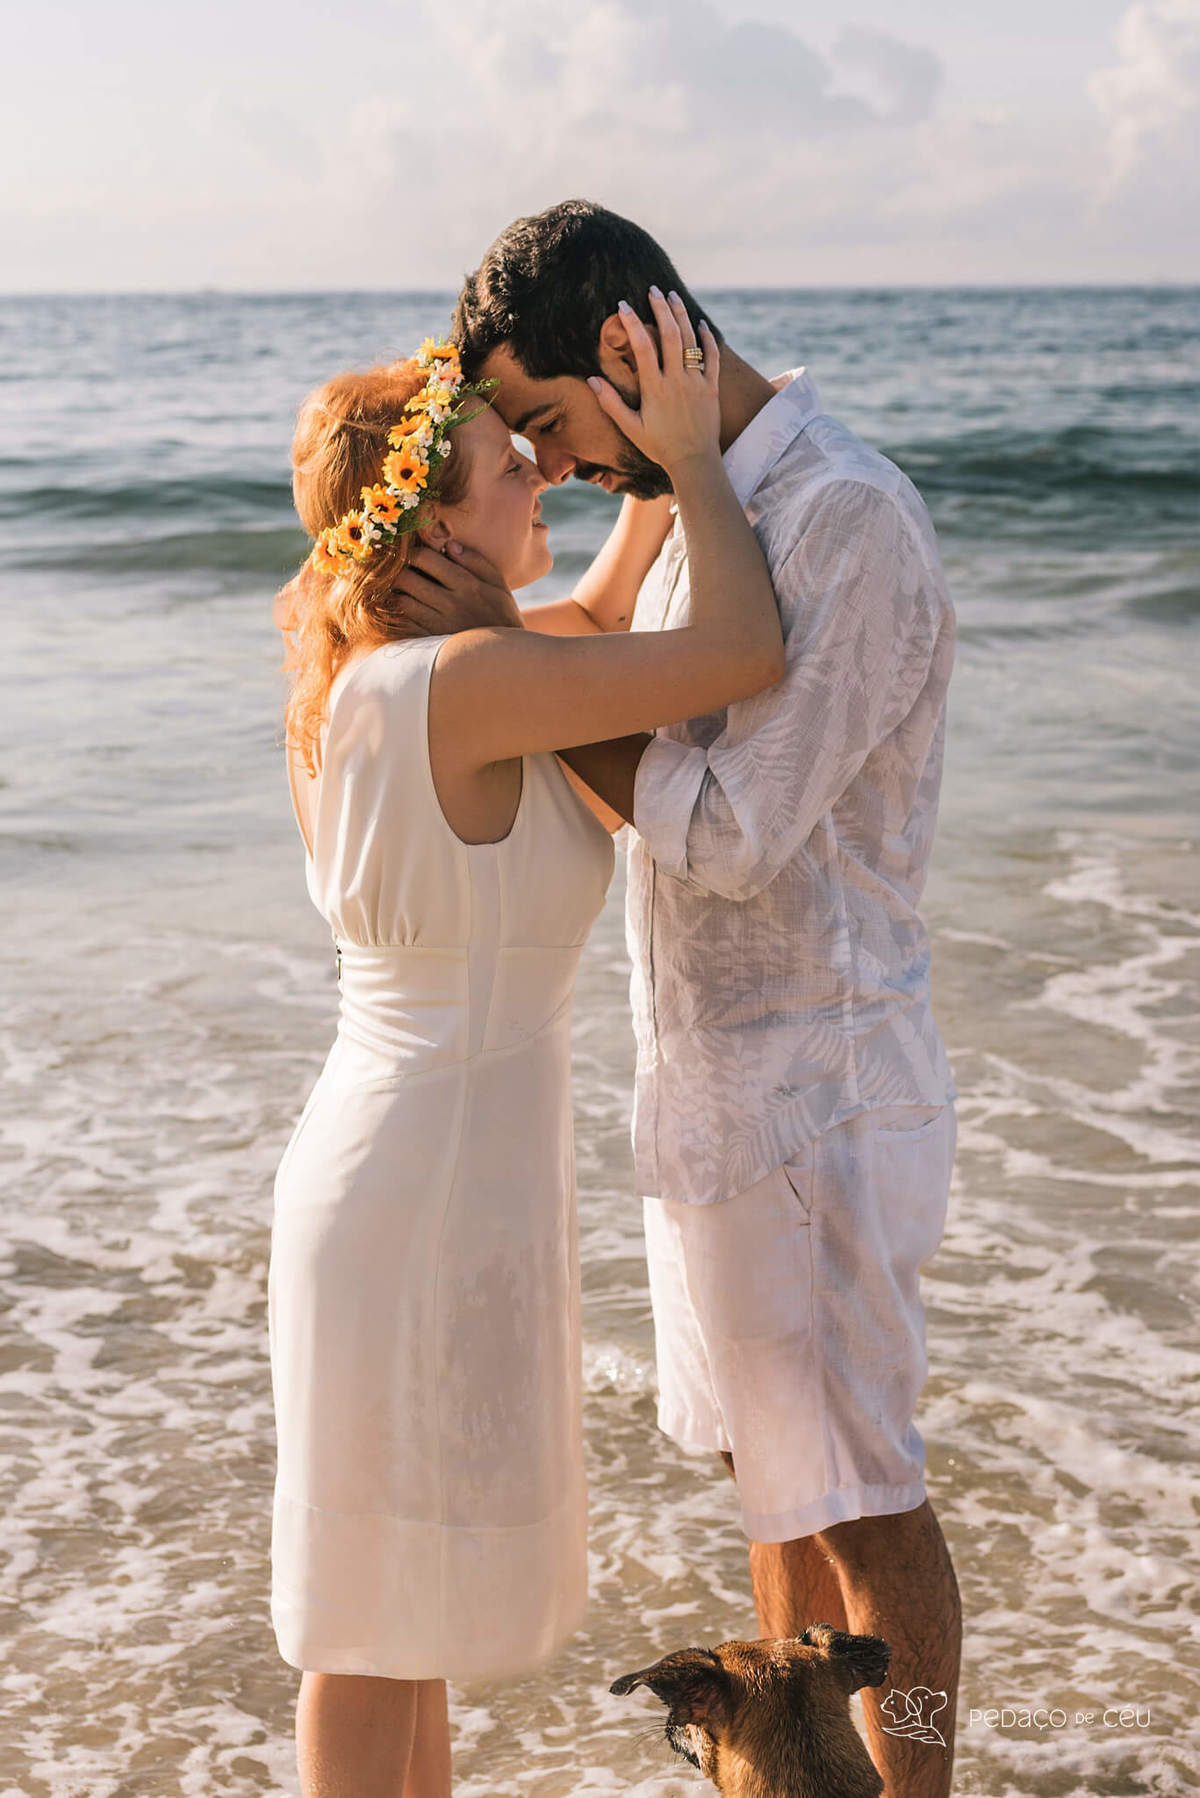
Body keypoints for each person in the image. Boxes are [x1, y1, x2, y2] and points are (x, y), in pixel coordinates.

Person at [408, 199, 962, 1798]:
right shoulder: (686, 500)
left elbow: (720, 835)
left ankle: (916, 1789)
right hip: (715, 1090)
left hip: (827, 1095)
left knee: (870, 1509)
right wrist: (495, 639)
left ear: (632, 348)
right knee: (778, 1495)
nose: (555, 460)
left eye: (543, 419)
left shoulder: (841, 518)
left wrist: (501, 666)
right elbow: (583, 645)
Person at [269, 292, 784, 1798]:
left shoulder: (376, 676)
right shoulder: (475, 680)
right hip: (421, 1181)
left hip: (404, 1167)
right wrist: (693, 464)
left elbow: (613, 620)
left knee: (393, 1615)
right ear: (430, 522)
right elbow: (739, 647)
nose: (540, 476)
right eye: (511, 462)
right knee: (367, 1632)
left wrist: (643, 416)